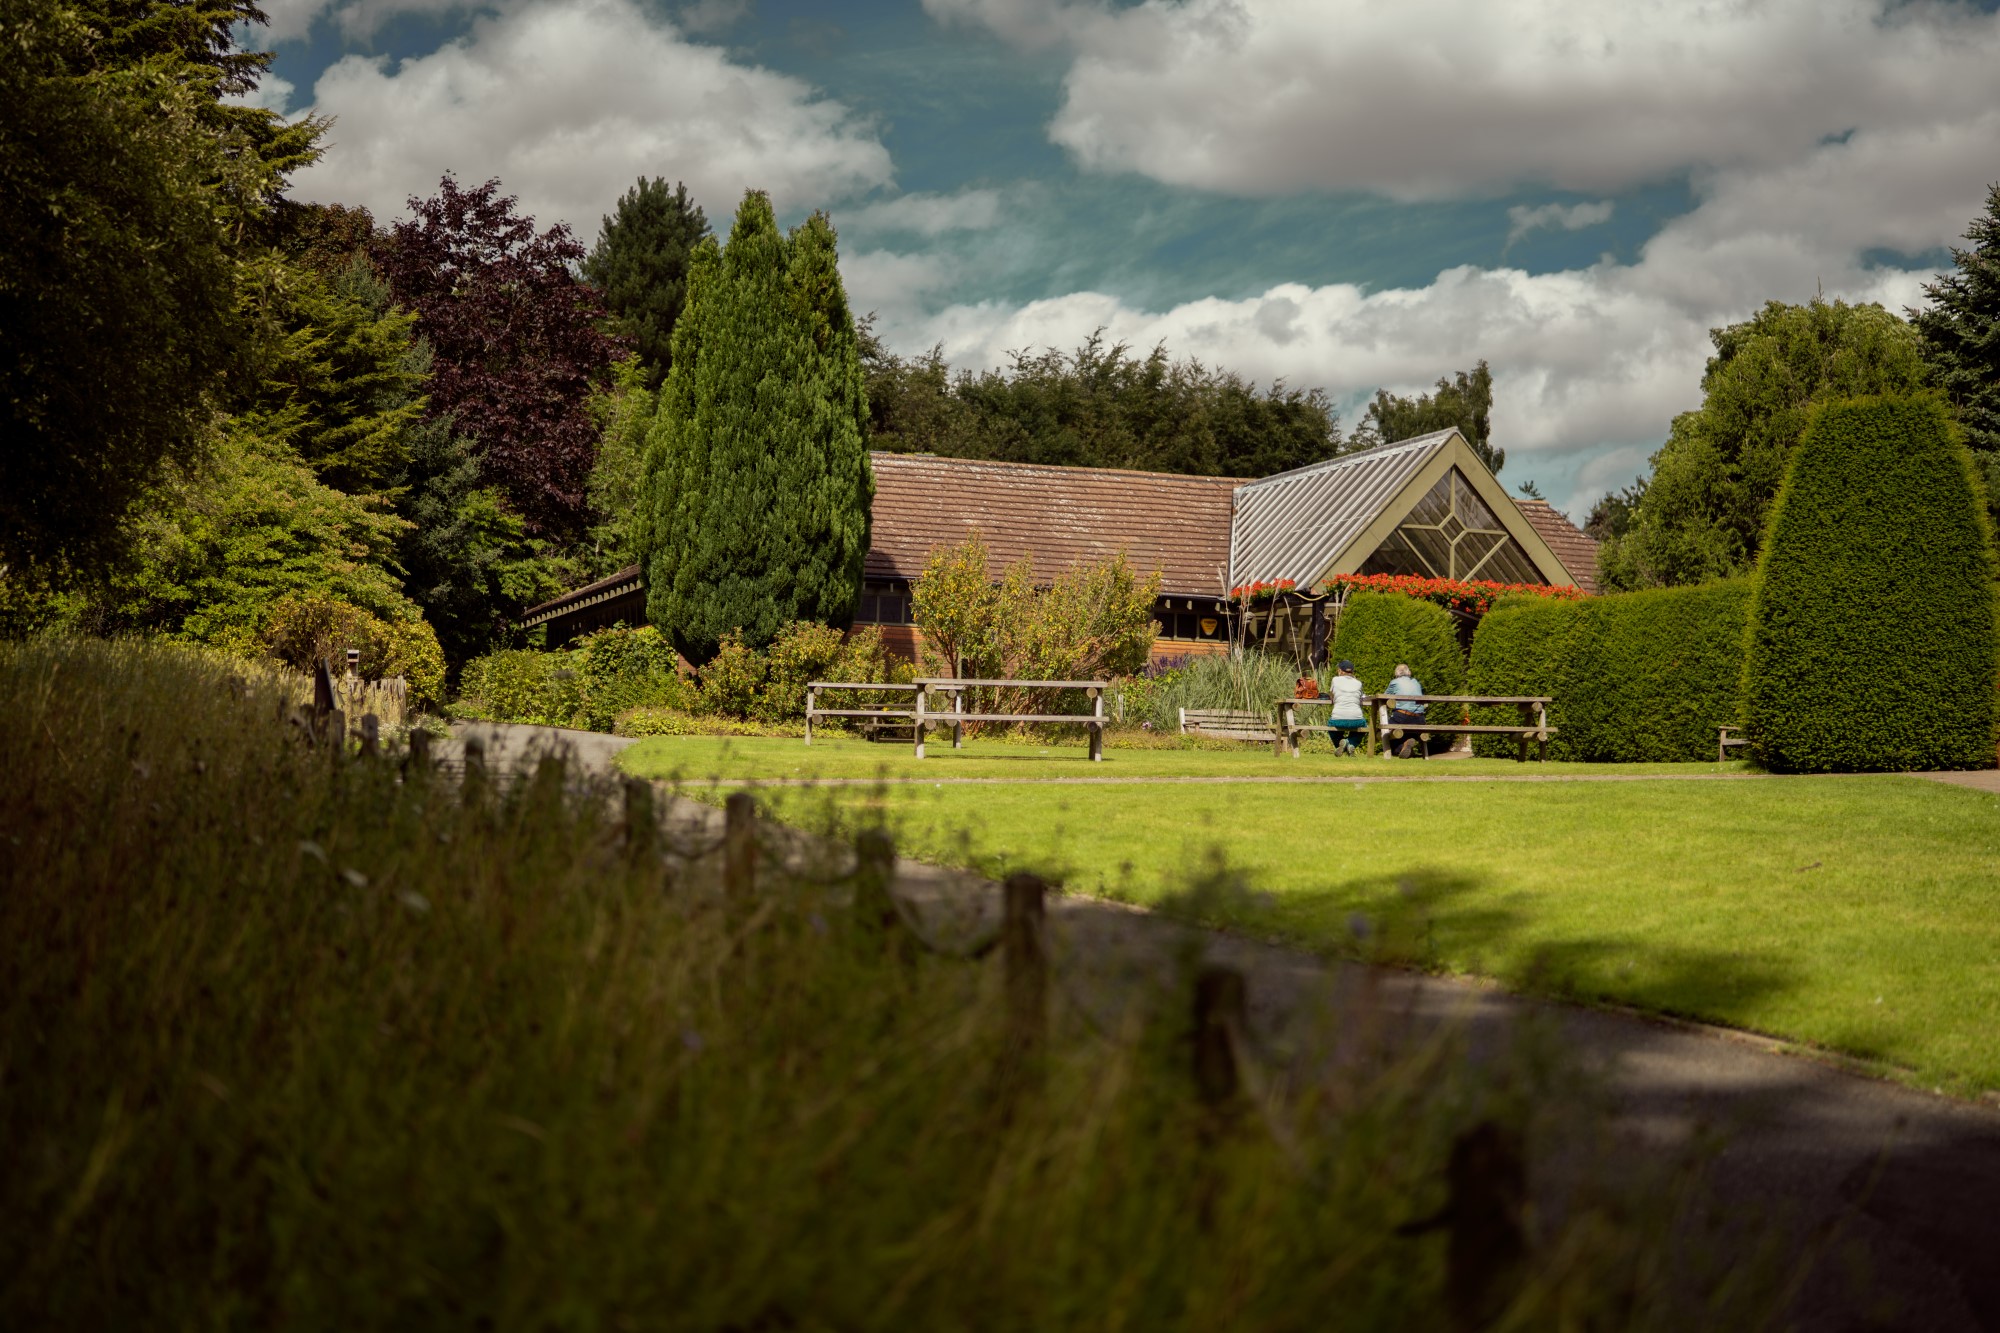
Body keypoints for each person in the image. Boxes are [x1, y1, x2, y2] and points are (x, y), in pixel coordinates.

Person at [1383, 663, 1427, 759]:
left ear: (1396, 673)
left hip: (1403, 717)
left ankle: (1402, 747)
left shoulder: (1395, 682)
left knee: (1383, 731)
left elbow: (1384, 697)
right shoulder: (1416, 682)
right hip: (1420, 719)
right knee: (1404, 732)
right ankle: (1407, 746)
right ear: (1409, 672)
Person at [1326, 660, 1367, 755]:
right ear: (1352, 671)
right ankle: (1350, 743)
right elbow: (1360, 699)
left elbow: (1332, 697)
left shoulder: (1335, 680)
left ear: (1340, 671)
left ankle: (1342, 744)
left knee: (1331, 726)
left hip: (1338, 719)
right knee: (1364, 727)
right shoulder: (1358, 683)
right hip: (1356, 719)